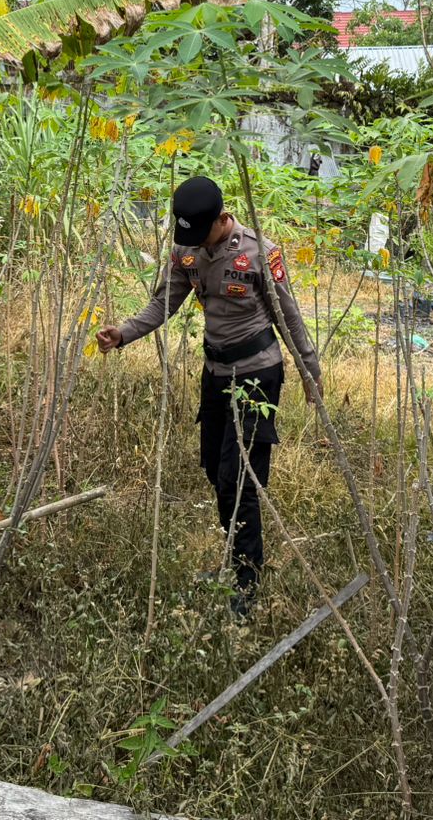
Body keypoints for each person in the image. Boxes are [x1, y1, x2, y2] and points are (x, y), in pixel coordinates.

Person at [97, 175, 321, 617]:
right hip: (215, 374)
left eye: (203, 234)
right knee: (216, 472)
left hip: (256, 376)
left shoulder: (260, 253)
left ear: (223, 218)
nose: (196, 244)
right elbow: (164, 303)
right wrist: (123, 333)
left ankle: (247, 583)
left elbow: (289, 317)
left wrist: (310, 371)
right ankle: (234, 561)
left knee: (240, 480)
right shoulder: (187, 250)